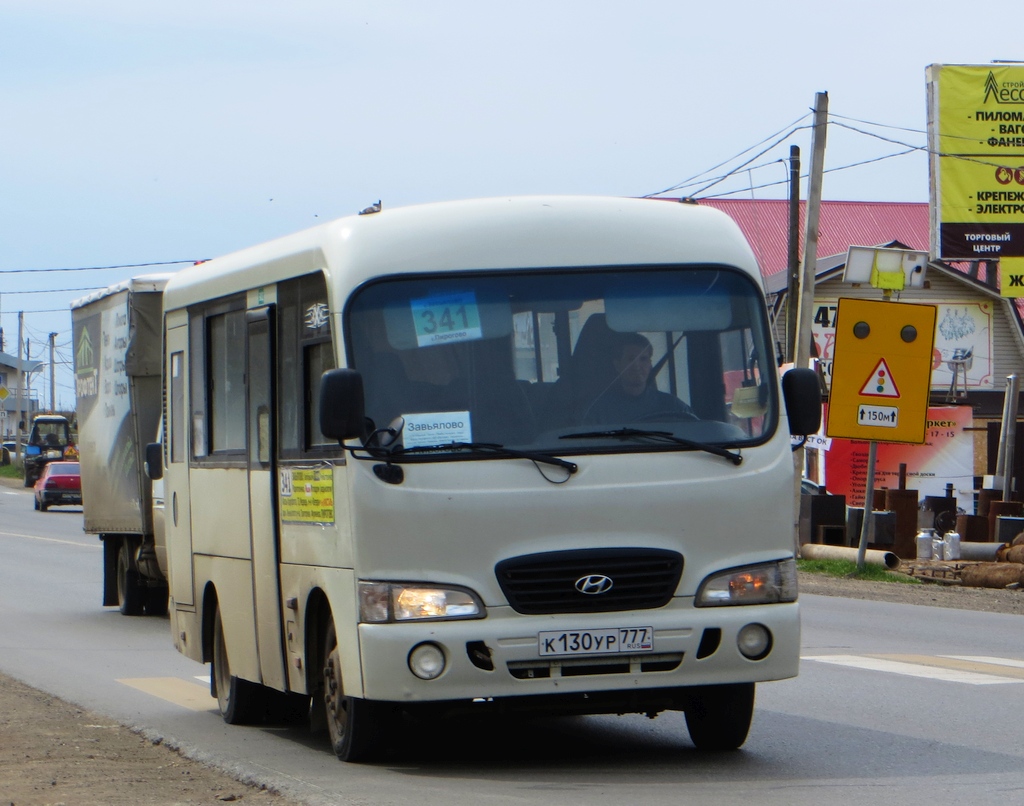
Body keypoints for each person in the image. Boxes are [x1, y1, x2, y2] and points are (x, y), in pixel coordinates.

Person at [582, 332, 695, 424]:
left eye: (643, 359)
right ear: (617, 365)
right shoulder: (599, 412)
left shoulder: (673, 407)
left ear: (650, 364)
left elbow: (697, 433)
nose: (637, 366)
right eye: (631, 359)